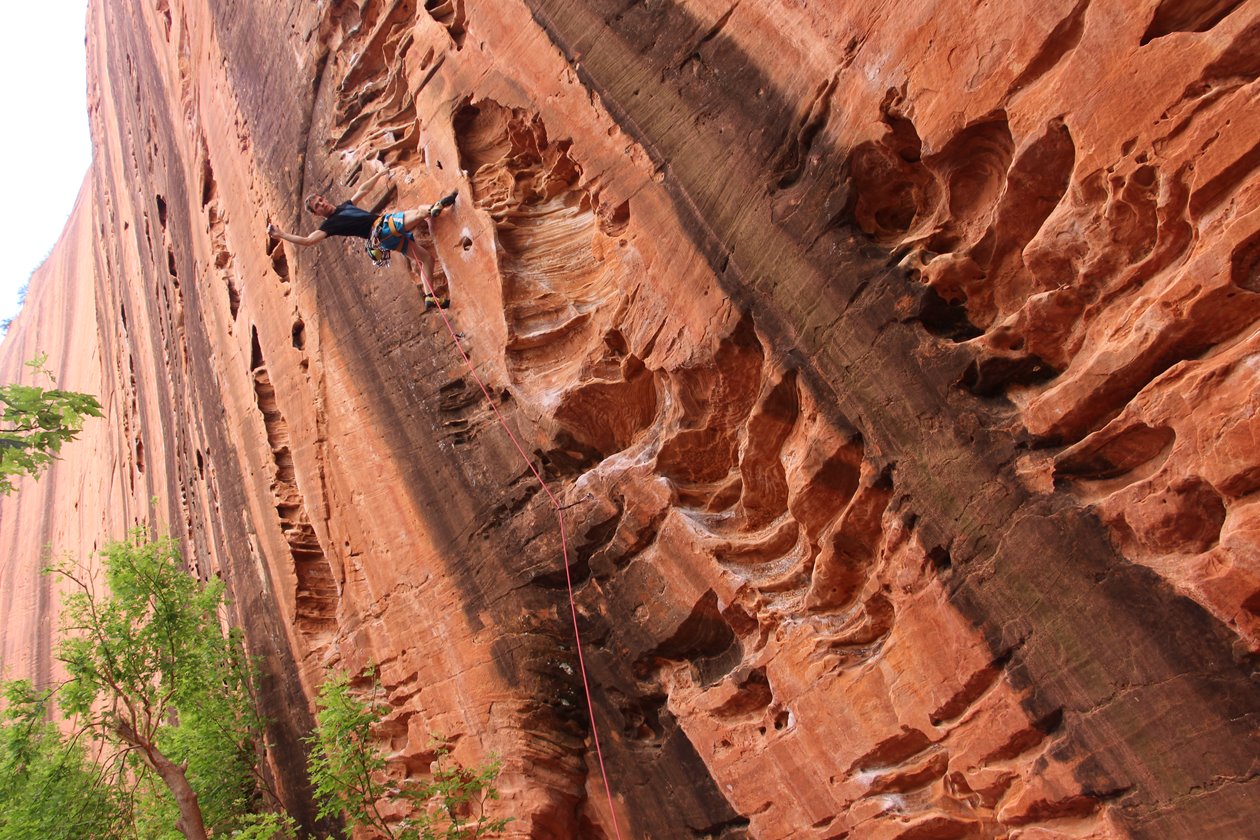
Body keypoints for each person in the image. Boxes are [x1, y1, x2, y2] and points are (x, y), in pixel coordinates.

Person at [267, 164, 458, 308]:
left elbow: (362, 190)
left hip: (386, 239)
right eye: (318, 206)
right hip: (381, 229)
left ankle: (429, 296)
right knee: (418, 212)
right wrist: (282, 234)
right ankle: (433, 208)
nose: (322, 204)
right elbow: (308, 241)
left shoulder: (345, 206)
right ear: (317, 214)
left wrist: (379, 174)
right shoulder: (329, 225)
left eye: (321, 200)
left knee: (425, 258)